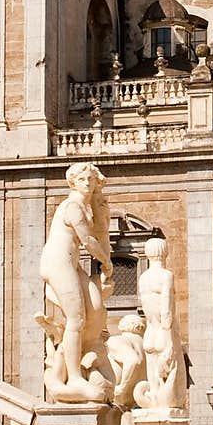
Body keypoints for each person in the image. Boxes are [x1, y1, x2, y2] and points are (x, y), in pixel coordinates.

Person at [38, 162, 115, 403]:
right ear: (72, 182)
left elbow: (100, 233)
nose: (87, 183)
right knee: (76, 319)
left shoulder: (86, 206)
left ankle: (68, 363)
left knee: (96, 306)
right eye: (82, 179)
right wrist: (106, 263)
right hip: (57, 263)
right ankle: (74, 378)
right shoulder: (72, 206)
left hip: (71, 264)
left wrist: (102, 212)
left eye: (91, 179)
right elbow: (89, 242)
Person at [134, 238, 184, 410]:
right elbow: (166, 310)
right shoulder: (166, 276)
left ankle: (154, 404)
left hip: (150, 332)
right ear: (165, 252)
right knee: (172, 381)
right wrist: (171, 342)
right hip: (164, 333)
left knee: (154, 383)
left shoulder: (143, 278)